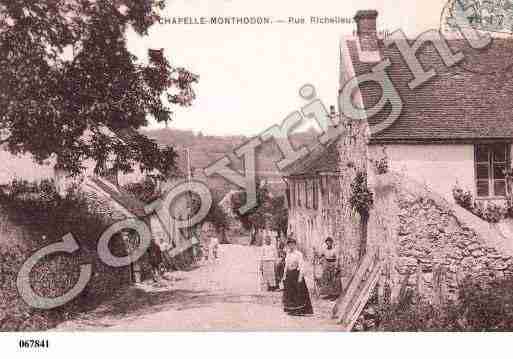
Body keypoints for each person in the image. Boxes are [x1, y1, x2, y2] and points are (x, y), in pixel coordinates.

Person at [281, 238, 314, 316]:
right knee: (290, 293)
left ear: (295, 245)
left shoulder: (298, 254)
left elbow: (301, 265)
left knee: (298, 292)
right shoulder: (288, 254)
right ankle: (291, 309)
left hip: (296, 274)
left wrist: (300, 276)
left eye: (292, 244)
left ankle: (299, 309)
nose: (291, 246)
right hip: (289, 275)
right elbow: (286, 265)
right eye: (289, 244)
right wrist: (284, 275)